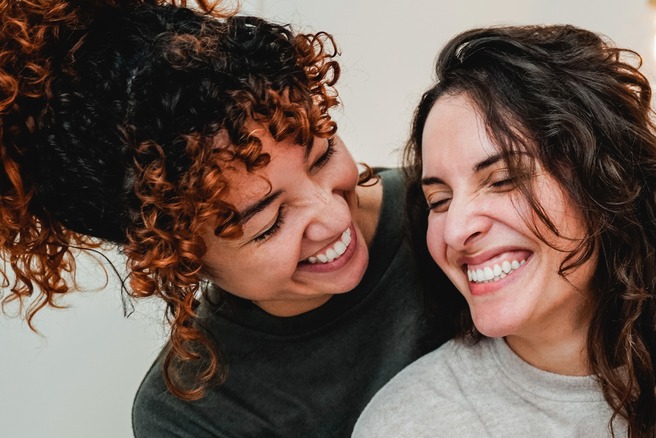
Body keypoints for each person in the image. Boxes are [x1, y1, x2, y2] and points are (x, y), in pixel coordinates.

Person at [0, 0, 454, 436]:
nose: (334, 217)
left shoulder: (453, 213)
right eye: (269, 222)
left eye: (322, 155)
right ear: (180, 259)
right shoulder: (195, 416)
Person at [352, 24, 656, 437]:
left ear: (606, 181)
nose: (456, 230)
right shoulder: (407, 423)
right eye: (439, 202)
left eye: (503, 180)